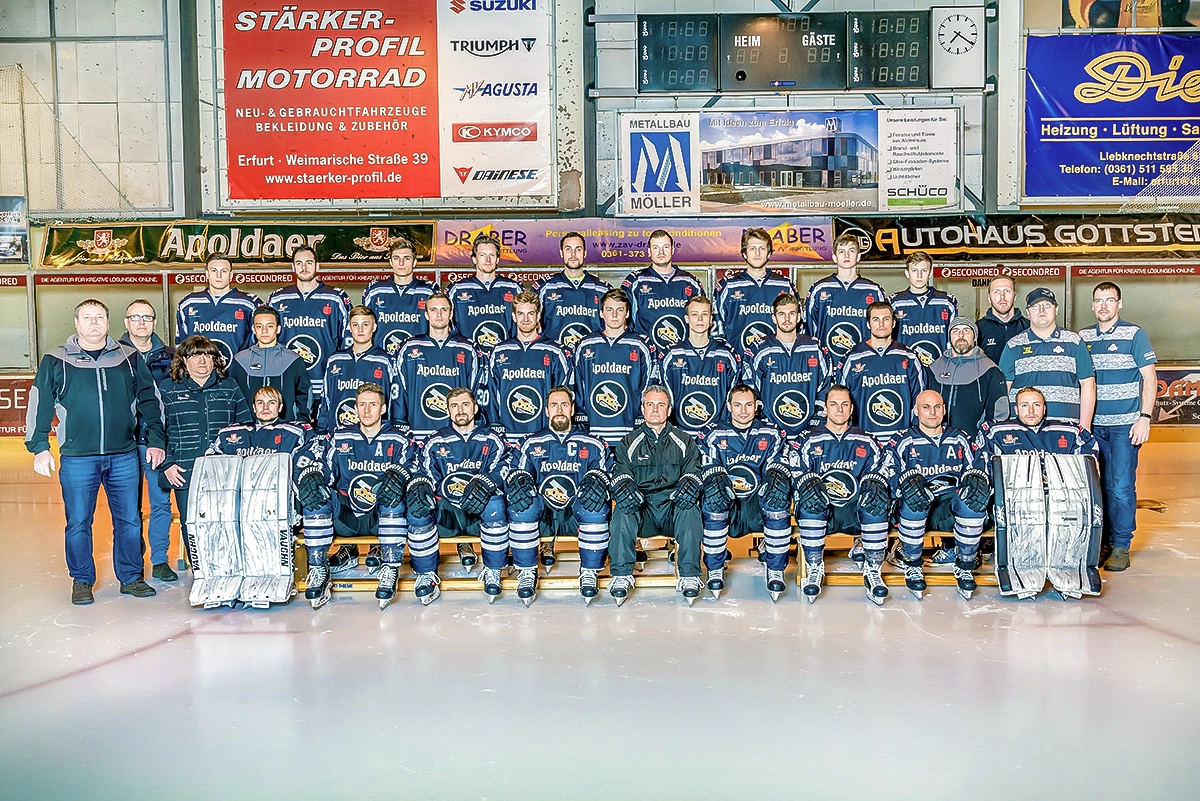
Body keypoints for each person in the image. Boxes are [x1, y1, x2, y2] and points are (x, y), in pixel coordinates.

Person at [27, 299, 166, 605]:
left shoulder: (128, 357)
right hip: (78, 457)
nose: (93, 322)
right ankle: (81, 580)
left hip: (124, 455)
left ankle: (131, 577)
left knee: (129, 520)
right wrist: (39, 446)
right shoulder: (56, 359)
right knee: (78, 522)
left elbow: (150, 400)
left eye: (99, 317)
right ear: (76, 323)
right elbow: (40, 403)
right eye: (87, 317)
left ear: (107, 322)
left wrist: (156, 438)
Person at [294, 383, 431, 610]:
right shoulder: (339, 437)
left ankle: (390, 568)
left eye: (373, 405)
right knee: (316, 495)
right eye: (361, 405)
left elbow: (414, 469)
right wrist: (314, 475)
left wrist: (401, 475)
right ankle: (319, 570)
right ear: (355, 409)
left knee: (393, 491)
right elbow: (324, 468)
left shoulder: (399, 439)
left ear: (383, 408)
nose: (366, 411)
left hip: (382, 516)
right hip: (349, 517)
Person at [505, 386, 613, 604]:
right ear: (546, 410)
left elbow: (607, 473)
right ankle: (526, 572)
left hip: (575, 516)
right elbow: (515, 472)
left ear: (572, 409)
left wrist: (599, 479)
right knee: (521, 504)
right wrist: (518, 479)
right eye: (554, 405)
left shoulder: (593, 443)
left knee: (595, 504)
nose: (559, 410)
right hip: (544, 517)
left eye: (564, 405)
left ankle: (589, 573)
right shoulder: (530, 443)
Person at [880, 390, 989, 601]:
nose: (932, 412)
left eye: (937, 407)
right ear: (916, 411)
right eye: (926, 407)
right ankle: (912, 565)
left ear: (944, 410)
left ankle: (964, 565)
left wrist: (978, 479)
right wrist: (903, 484)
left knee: (973, 498)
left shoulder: (960, 438)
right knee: (914, 495)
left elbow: (978, 465)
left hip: (949, 508)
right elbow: (886, 473)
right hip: (917, 507)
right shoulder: (902, 440)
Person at [158, 336, 253, 577]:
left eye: (207, 355)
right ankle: (202, 574)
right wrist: (167, 464)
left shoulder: (229, 387)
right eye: (195, 355)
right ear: (184, 360)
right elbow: (157, 430)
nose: (202, 360)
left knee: (227, 524)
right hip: (183, 471)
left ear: (215, 360)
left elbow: (245, 428)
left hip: (224, 473)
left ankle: (229, 573)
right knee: (193, 525)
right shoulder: (167, 388)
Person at [787, 385, 891, 605]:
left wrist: (877, 483)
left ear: (851, 408)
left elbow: (883, 468)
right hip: (824, 512)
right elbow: (795, 469)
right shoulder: (807, 439)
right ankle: (815, 566)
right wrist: (805, 482)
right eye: (834, 404)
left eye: (845, 404)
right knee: (809, 498)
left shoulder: (866, 440)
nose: (840, 409)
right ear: (825, 409)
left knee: (877, 500)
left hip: (855, 512)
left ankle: (873, 571)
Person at [1079, 281, 1157, 571]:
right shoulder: (1083, 337)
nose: (1103, 306)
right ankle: (1101, 543)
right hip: (1093, 428)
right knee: (1094, 488)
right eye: (1098, 300)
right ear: (1092, 305)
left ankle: (1121, 544)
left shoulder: (1135, 334)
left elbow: (1150, 378)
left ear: (1119, 304)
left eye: (1109, 300)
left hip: (1125, 427)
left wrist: (1145, 417)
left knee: (1120, 486)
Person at [406, 388, 511, 601]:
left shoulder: (492, 439)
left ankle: (493, 570)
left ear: (475, 407)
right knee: (418, 506)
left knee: (496, 505)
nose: (460, 410)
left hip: (478, 515)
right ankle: (427, 575)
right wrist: (422, 484)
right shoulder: (435, 441)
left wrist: (486, 482)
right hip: (448, 516)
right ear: (447, 410)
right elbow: (425, 472)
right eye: (454, 406)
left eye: (464, 405)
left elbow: (502, 469)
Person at [607, 385, 704, 605]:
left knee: (690, 506)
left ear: (669, 410)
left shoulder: (684, 441)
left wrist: (690, 481)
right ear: (642, 408)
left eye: (661, 405)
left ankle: (689, 575)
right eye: (650, 404)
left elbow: (694, 470)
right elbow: (620, 472)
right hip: (644, 511)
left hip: (673, 509)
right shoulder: (628, 442)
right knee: (622, 506)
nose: (655, 409)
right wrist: (624, 485)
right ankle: (621, 575)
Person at [697, 384, 792, 600]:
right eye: (738, 405)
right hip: (729, 506)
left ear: (757, 406)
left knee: (778, 491)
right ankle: (715, 568)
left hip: (758, 505)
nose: (743, 410)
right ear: (729, 406)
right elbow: (707, 466)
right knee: (713, 492)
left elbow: (777, 463)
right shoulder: (713, 434)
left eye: (748, 405)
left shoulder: (771, 433)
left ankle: (775, 569)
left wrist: (776, 476)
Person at [120, 299, 176, 582]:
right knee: (129, 507)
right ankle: (133, 564)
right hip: (123, 444)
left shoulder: (170, 357)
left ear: (154, 323)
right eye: (136, 317)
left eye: (147, 317)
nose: (142, 322)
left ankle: (160, 560)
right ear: (126, 322)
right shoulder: (112, 355)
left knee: (161, 503)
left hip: (156, 441)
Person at [268, 246, 352, 419]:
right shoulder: (278, 299)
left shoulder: (336, 298)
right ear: (293, 267)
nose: (304, 267)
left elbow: (349, 341)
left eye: (309, 262)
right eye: (299, 263)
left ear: (317, 266)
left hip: (325, 383)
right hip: (288, 384)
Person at [393, 290, 486, 441]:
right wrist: (399, 424)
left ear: (451, 314)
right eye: (433, 310)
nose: (439, 314)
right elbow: (399, 390)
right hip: (418, 433)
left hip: (457, 435)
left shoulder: (468, 348)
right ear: (426, 315)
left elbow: (476, 391)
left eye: (444, 310)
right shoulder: (409, 347)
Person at [999, 288, 1096, 428]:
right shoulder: (1013, 346)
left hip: (1067, 429)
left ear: (1056, 309)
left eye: (1047, 305)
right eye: (1036, 306)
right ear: (1028, 312)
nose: (1041, 310)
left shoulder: (1075, 342)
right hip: (1023, 431)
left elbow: (1088, 385)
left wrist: (1085, 426)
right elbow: (1003, 391)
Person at [572, 288, 658, 444]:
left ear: (627, 313)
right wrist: (583, 418)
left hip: (631, 429)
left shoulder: (641, 344)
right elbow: (577, 384)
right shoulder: (585, 344)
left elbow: (650, 387)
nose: (614, 315)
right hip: (593, 429)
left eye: (620, 310)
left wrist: (640, 417)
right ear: (601, 313)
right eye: (609, 309)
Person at [486, 292, 572, 444]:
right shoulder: (499, 351)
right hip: (508, 435)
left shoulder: (555, 351)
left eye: (530, 313)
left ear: (538, 316)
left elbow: (563, 395)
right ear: (513, 316)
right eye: (521, 313)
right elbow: (492, 393)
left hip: (545, 436)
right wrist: (495, 427)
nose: (525, 319)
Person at [744, 292, 832, 435]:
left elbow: (826, 385)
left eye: (791, 313)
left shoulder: (815, 348)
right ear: (774, 318)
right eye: (781, 314)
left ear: (798, 317)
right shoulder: (759, 349)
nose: (786, 319)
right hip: (770, 431)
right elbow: (750, 388)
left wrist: (816, 417)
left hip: (808, 430)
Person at [840, 301, 926, 444]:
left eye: (886, 319)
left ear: (893, 323)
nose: (881, 324)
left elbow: (919, 403)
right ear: (868, 324)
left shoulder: (909, 357)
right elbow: (841, 403)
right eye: (876, 319)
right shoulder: (853, 358)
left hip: (901, 442)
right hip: (863, 442)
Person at [659, 295, 741, 434]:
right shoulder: (671, 355)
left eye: (704, 314)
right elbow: (666, 399)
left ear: (711, 320)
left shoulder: (726, 355)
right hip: (681, 434)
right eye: (694, 314)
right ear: (687, 319)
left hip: (717, 434)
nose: (699, 319)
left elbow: (733, 399)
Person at [804, 232, 888, 367]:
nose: (847, 255)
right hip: (828, 366)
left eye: (851, 251)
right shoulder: (820, 289)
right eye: (842, 251)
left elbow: (885, 331)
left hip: (865, 366)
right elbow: (807, 330)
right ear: (834, 257)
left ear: (859, 256)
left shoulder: (873, 290)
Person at [317, 306, 400, 432]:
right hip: (339, 435)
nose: (360, 329)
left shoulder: (385, 361)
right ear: (349, 327)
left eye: (365, 324)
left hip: (374, 436)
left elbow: (394, 402)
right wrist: (322, 429)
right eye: (355, 325)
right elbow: (326, 401)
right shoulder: (335, 359)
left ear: (374, 327)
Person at [621, 229, 705, 352]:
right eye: (656, 248)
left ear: (672, 250)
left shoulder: (690, 282)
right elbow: (624, 322)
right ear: (649, 252)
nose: (661, 252)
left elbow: (702, 321)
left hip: (683, 356)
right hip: (647, 356)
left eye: (665, 247)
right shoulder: (635, 281)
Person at [713, 227, 794, 354]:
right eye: (752, 248)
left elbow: (797, 328)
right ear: (744, 253)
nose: (757, 253)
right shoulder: (727, 286)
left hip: (776, 365)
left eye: (762, 248)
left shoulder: (785, 285)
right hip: (738, 365)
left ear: (769, 253)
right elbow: (717, 331)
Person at [926, 317, 1009, 439]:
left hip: (973, 445)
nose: (961, 335)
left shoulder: (990, 370)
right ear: (949, 337)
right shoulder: (933, 369)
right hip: (937, 444)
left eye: (966, 330)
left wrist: (984, 440)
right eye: (955, 331)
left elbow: (999, 414)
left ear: (975, 337)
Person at [175, 254, 262, 366]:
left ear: (231, 275)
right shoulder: (188, 303)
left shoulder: (250, 303)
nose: (219, 275)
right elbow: (181, 346)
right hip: (199, 377)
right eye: (214, 270)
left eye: (224, 271)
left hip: (238, 374)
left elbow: (259, 343)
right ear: (207, 274)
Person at [229, 305, 311, 423]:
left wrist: (302, 424)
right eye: (259, 326)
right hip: (248, 431)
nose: (264, 331)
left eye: (270, 326)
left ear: (278, 329)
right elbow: (232, 398)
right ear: (253, 329)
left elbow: (305, 397)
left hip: (286, 431)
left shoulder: (293, 360)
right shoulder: (240, 360)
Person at [532, 232, 611, 352]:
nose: (573, 254)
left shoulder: (603, 289)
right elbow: (531, 327)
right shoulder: (544, 287)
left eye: (578, 249)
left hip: (591, 361)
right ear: (561, 253)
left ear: (584, 253)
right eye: (568, 249)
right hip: (554, 361)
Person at [361, 237, 439, 356]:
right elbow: (364, 328)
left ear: (414, 262)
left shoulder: (429, 291)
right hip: (381, 363)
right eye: (396, 258)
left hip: (419, 362)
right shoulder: (375, 291)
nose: (401, 263)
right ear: (391, 262)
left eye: (406, 258)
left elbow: (440, 329)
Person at [977, 386, 1099, 459]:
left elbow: (1091, 466)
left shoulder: (1071, 432)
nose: (1031, 410)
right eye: (1025, 405)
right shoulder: (996, 432)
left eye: (1036, 405)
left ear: (1044, 409)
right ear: (1016, 410)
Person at [449, 233, 521, 352]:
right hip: (468, 360)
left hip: (506, 360)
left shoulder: (513, 288)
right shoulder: (457, 290)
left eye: (492, 255)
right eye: (482, 255)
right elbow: (446, 328)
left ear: (498, 259)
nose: (488, 260)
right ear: (474, 259)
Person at [890, 251, 958, 368]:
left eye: (924, 270)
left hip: (940, 369)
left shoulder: (947, 301)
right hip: (905, 369)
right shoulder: (894, 302)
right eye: (914, 271)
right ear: (907, 273)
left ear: (931, 273)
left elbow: (953, 339)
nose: (919, 275)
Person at [206, 386, 311, 457]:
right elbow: (210, 463)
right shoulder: (228, 433)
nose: (265, 408)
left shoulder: (295, 433)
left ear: (280, 407)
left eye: (271, 403)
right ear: (254, 408)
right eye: (260, 403)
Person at [976, 274, 1030, 365]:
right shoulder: (977, 329)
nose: (1002, 297)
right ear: (989, 298)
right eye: (997, 292)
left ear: (1014, 296)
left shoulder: (1029, 327)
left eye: (1007, 291)